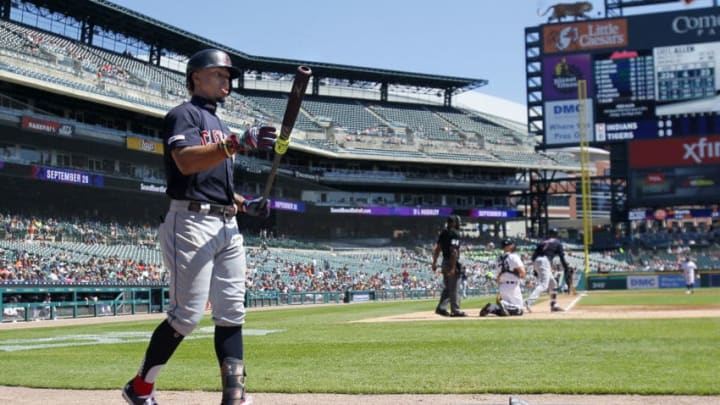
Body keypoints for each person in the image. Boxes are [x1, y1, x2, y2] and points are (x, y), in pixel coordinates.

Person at [122, 49, 277, 405]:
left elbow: (215, 184)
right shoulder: (183, 115)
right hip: (190, 221)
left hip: (227, 223)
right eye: (219, 74)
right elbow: (186, 162)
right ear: (195, 77)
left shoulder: (222, 127)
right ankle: (140, 387)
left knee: (232, 312)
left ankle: (234, 396)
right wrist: (237, 143)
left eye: (229, 76)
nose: (227, 81)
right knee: (186, 316)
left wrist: (243, 203)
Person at [480, 239, 526, 317]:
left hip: (502, 285)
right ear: (509, 246)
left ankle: (492, 307)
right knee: (519, 310)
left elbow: (498, 275)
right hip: (512, 286)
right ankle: (503, 304)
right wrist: (522, 276)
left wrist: (500, 288)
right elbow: (522, 272)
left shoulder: (498, 259)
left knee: (507, 311)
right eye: (512, 244)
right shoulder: (514, 256)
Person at [525, 228, 568, 312]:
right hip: (545, 261)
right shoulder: (557, 242)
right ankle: (528, 302)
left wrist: (535, 268)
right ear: (556, 235)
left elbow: (534, 256)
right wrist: (566, 267)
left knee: (553, 284)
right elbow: (562, 257)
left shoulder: (543, 242)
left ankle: (554, 305)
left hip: (537, 260)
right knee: (544, 285)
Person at [432, 215, 466, 317]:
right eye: (458, 222)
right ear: (454, 223)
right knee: (455, 287)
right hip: (452, 262)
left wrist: (434, 262)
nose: (459, 224)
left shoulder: (443, 232)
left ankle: (441, 308)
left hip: (444, 262)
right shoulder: (455, 233)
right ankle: (455, 310)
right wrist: (453, 267)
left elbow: (438, 248)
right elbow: (454, 251)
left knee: (448, 287)